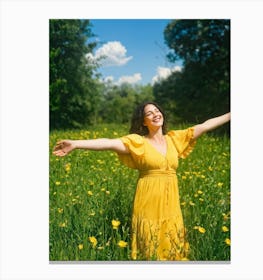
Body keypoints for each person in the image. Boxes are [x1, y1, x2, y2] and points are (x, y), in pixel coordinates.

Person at [53, 101, 230, 261]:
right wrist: (76, 143)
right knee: (150, 243)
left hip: (171, 202)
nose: (155, 114)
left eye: (157, 110)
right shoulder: (138, 142)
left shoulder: (175, 139)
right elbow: (108, 142)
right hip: (148, 199)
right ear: (144, 121)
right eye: (149, 113)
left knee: (172, 241)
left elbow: (205, 125)